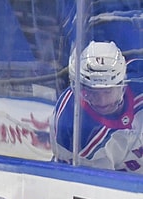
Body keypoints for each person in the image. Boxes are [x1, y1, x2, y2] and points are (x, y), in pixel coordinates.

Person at [52, 40, 143, 172]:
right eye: (92, 92)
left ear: (122, 85)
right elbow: (85, 187)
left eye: (107, 91)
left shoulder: (139, 78)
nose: (102, 101)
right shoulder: (72, 127)